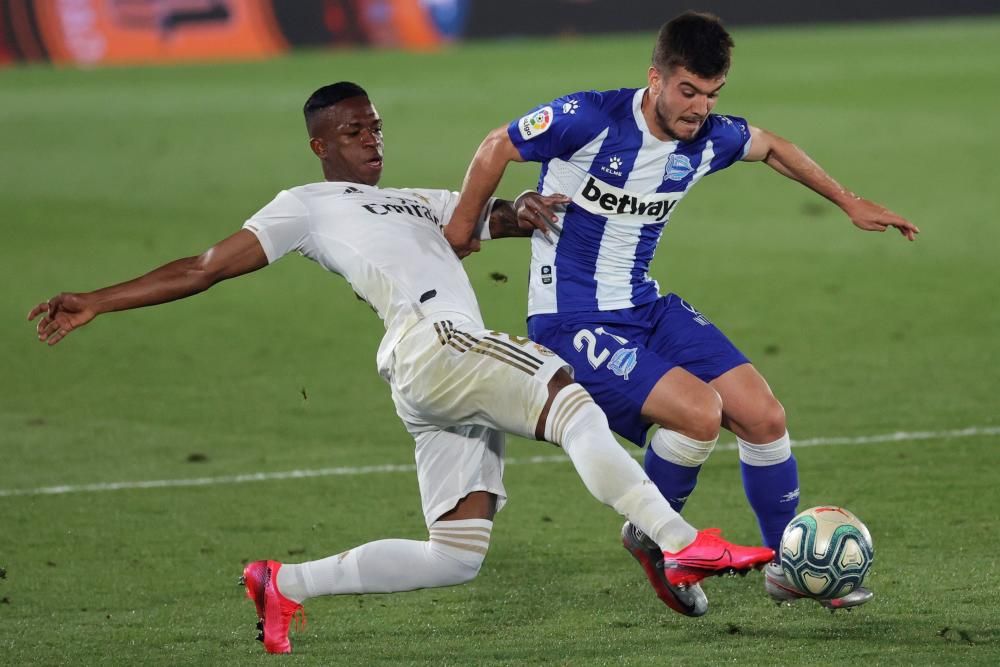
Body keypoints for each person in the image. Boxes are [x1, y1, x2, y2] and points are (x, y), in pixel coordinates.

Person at [28, 82, 775, 654]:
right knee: (568, 395)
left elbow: (497, 215)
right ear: (322, 144)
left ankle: (281, 583)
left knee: (455, 555)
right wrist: (99, 298)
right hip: (435, 343)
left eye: (377, 126)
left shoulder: (414, 200)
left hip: (437, 376)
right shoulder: (307, 204)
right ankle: (678, 542)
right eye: (354, 131)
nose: (371, 139)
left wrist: (531, 206)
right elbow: (204, 266)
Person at [445, 12, 918, 610]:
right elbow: (496, 146)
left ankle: (789, 568)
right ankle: (655, 539)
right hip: (572, 319)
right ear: (657, 79)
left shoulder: (708, 138)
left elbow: (771, 146)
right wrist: (464, 228)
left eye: (711, 94)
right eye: (688, 91)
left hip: (646, 305)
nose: (699, 108)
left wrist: (849, 203)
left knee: (763, 416)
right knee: (699, 413)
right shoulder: (590, 118)